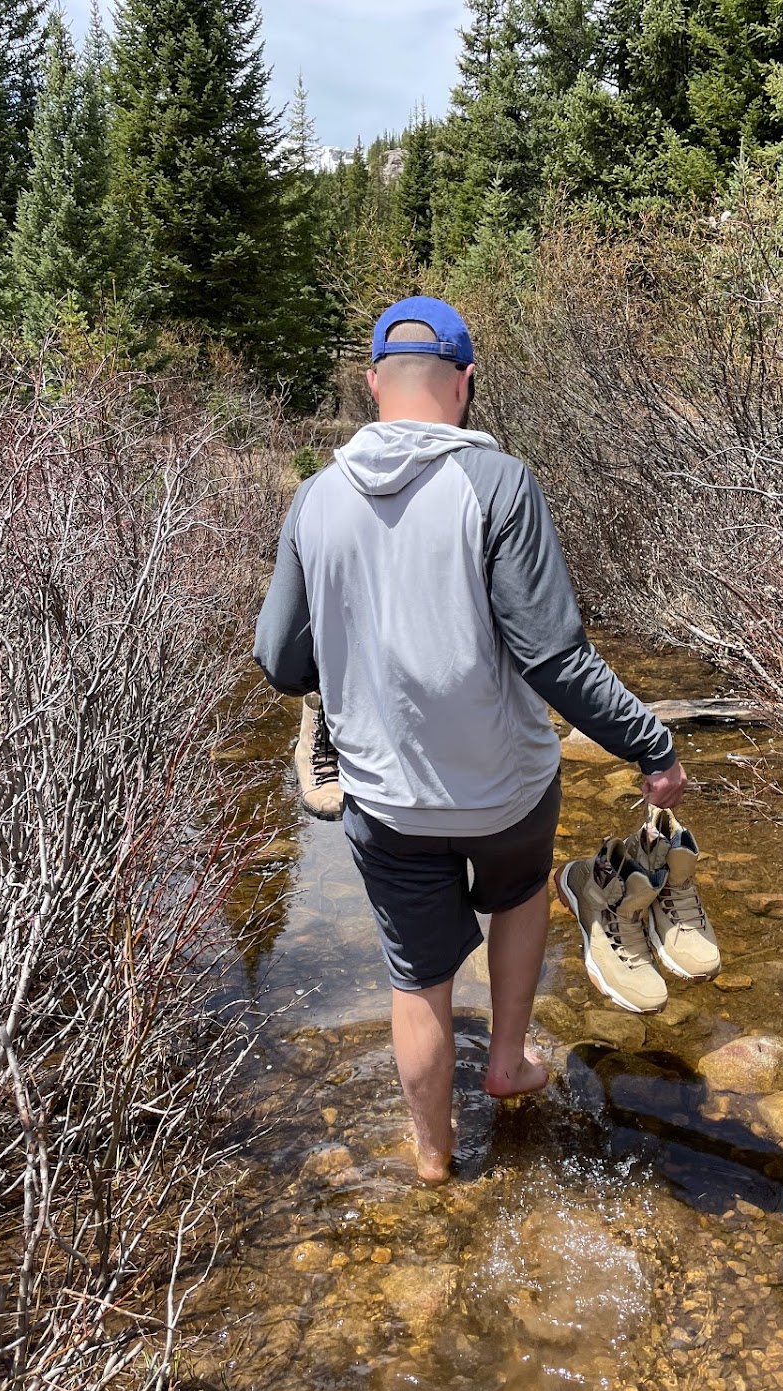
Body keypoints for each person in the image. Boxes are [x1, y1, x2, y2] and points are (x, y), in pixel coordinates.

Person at [253, 296, 686, 1183]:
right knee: (521, 893)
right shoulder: (498, 484)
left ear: (373, 383)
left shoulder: (315, 496)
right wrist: (650, 745)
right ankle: (507, 1061)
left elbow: (277, 658)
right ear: (464, 384)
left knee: (415, 980)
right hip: (505, 790)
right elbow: (551, 656)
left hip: (384, 797)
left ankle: (431, 1161)